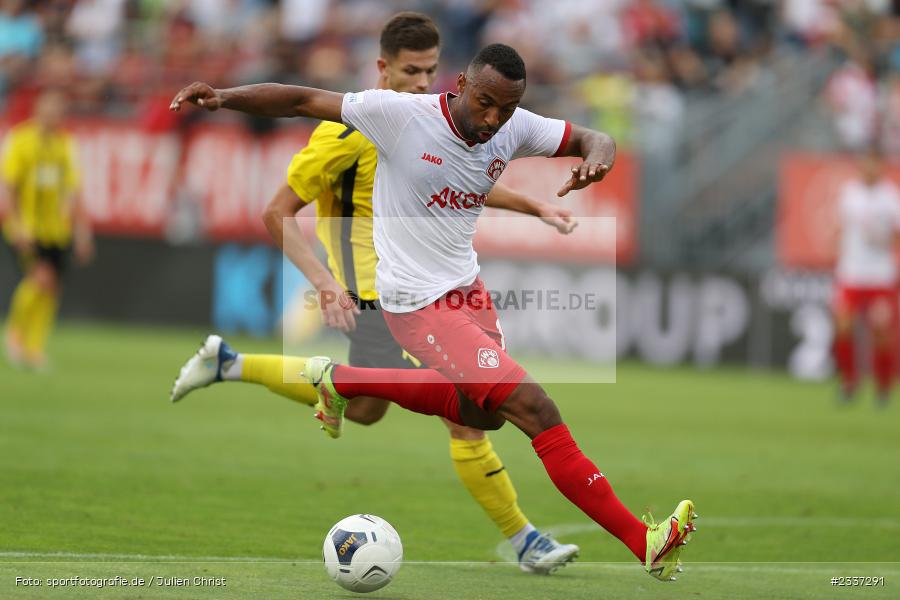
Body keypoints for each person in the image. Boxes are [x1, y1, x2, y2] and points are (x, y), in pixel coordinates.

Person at [169, 42, 697, 582]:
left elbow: (588, 136)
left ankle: (342, 381)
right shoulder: (401, 117)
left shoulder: (513, 126)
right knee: (536, 408)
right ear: (462, 84)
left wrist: (599, 156)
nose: (493, 120)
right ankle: (645, 542)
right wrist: (224, 97)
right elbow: (303, 99)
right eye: (485, 103)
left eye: (506, 110)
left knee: (487, 413)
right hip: (416, 303)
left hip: (466, 291)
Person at [2, 89, 93, 369]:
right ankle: (15, 336)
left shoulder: (65, 144)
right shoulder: (21, 139)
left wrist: (81, 233)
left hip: (56, 229)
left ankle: (35, 346)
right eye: (49, 110)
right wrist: (17, 227)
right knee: (39, 279)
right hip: (27, 227)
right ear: (38, 112)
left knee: (52, 287)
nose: (54, 116)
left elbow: (74, 192)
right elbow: (10, 188)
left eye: (59, 111)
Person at [832, 147, 900, 407]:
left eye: (874, 163)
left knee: (881, 330)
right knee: (843, 325)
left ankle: (883, 388)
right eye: (866, 162)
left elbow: (897, 236)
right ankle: (849, 383)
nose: (869, 168)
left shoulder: (891, 197)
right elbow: (841, 229)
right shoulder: (850, 193)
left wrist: (884, 238)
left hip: (880, 275)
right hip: (851, 272)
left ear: (880, 166)